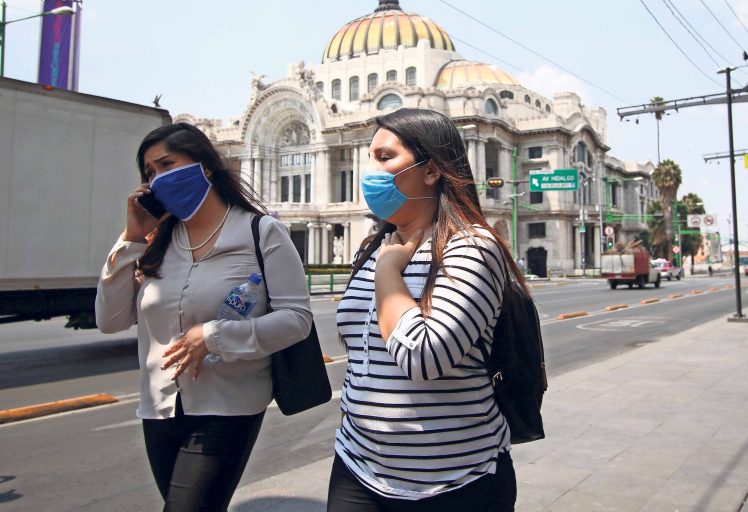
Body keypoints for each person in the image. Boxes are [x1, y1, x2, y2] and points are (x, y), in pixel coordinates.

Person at [95, 123, 312, 511]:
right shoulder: (156, 242)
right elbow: (110, 320)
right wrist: (129, 239)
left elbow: (296, 319)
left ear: (205, 167)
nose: (158, 179)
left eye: (167, 164)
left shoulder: (261, 232)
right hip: (159, 407)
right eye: (149, 173)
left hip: (228, 407)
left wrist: (213, 336)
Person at [328, 108, 528, 512]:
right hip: (358, 469)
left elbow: (424, 357)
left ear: (432, 169)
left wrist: (388, 271)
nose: (372, 172)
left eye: (385, 158)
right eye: (370, 159)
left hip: (454, 483)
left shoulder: (470, 248)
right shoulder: (375, 246)